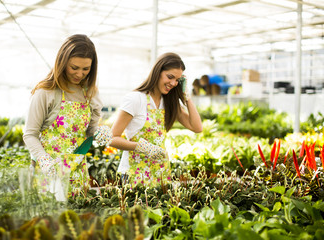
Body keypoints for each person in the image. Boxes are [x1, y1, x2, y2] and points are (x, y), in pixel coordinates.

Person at [23, 34, 103, 199]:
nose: (80, 74)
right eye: (74, 67)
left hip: (78, 173)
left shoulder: (90, 93)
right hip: (49, 172)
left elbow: (90, 130)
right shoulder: (46, 92)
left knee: (76, 219)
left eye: (86, 69)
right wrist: (44, 161)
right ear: (62, 62)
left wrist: (100, 132)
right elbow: (30, 134)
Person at [109, 52, 203, 187]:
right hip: (133, 173)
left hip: (160, 173)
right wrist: (143, 147)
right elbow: (112, 138)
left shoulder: (169, 102)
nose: (173, 83)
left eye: (177, 80)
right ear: (158, 71)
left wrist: (186, 96)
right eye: (170, 77)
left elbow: (197, 127)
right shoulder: (135, 99)